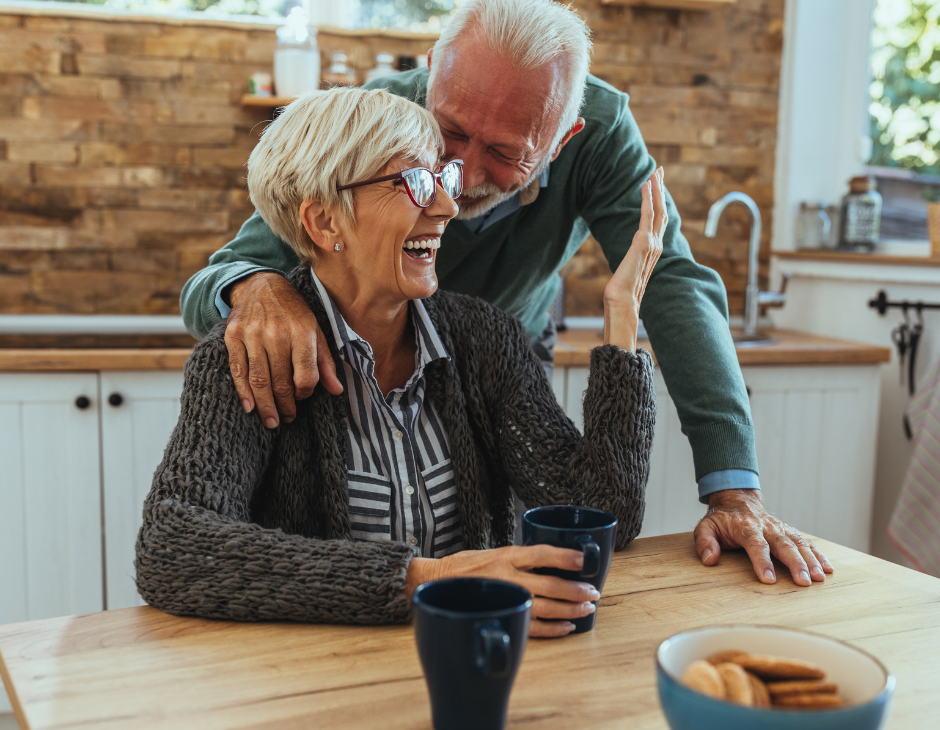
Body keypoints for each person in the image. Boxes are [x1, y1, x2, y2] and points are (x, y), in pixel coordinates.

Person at [179, 0, 833, 587]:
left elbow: (671, 283)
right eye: (449, 133)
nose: (457, 178)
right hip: (349, 375)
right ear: (431, 71)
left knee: (492, 538)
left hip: (504, 364)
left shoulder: (600, 135)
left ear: (564, 139)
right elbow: (227, 272)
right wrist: (258, 287)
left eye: (504, 152)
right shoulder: (376, 120)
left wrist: (733, 490)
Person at [137, 88, 661, 637]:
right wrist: (426, 578)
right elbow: (173, 546)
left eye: (442, 180)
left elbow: (603, 512)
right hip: (318, 683)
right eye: (412, 183)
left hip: (475, 665)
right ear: (324, 222)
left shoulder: (487, 341)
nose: (446, 207)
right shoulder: (246, 359)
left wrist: (622, 315)